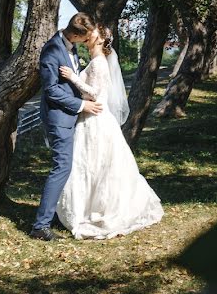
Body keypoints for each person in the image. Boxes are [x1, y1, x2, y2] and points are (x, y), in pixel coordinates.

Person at [56, 26, 163, 239]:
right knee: (89, 164)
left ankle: (97, 210)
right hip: (90, 117)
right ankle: (85, 208)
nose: (88, 34)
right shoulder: (94, 62)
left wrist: (72, 78)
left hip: (96, 118)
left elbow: (95, 93)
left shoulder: (100, 64)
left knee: (97, 165)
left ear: (101, 39)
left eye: (93, 32)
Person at [30, 13, 105, 241]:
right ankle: (40, 226)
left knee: (68, 167)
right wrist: (82, 104)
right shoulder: (51, 51)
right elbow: (51, 90)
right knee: (61, 167)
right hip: (59, 118)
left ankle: (56, 214)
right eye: (85, 38)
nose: (86, 41)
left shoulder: (70, 46)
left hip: (70, 117)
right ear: (75, 34)